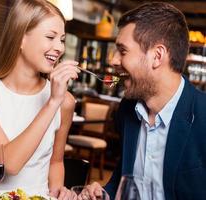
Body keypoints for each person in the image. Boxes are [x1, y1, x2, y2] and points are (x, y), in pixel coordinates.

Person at [81, 2, 206, 200]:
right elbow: (125, 182)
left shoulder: (202, 115)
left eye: (122, 51)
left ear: (157, 56)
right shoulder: (127, 110)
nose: (113, 61)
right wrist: (103, 194)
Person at [0, 0, 80, 199]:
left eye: (61, 39)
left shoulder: (66, 102)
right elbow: (10, 163)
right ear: (20, 39)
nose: (59, 47)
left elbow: (55, 161)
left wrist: (58, 192)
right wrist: (52, 102)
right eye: (50, 37)